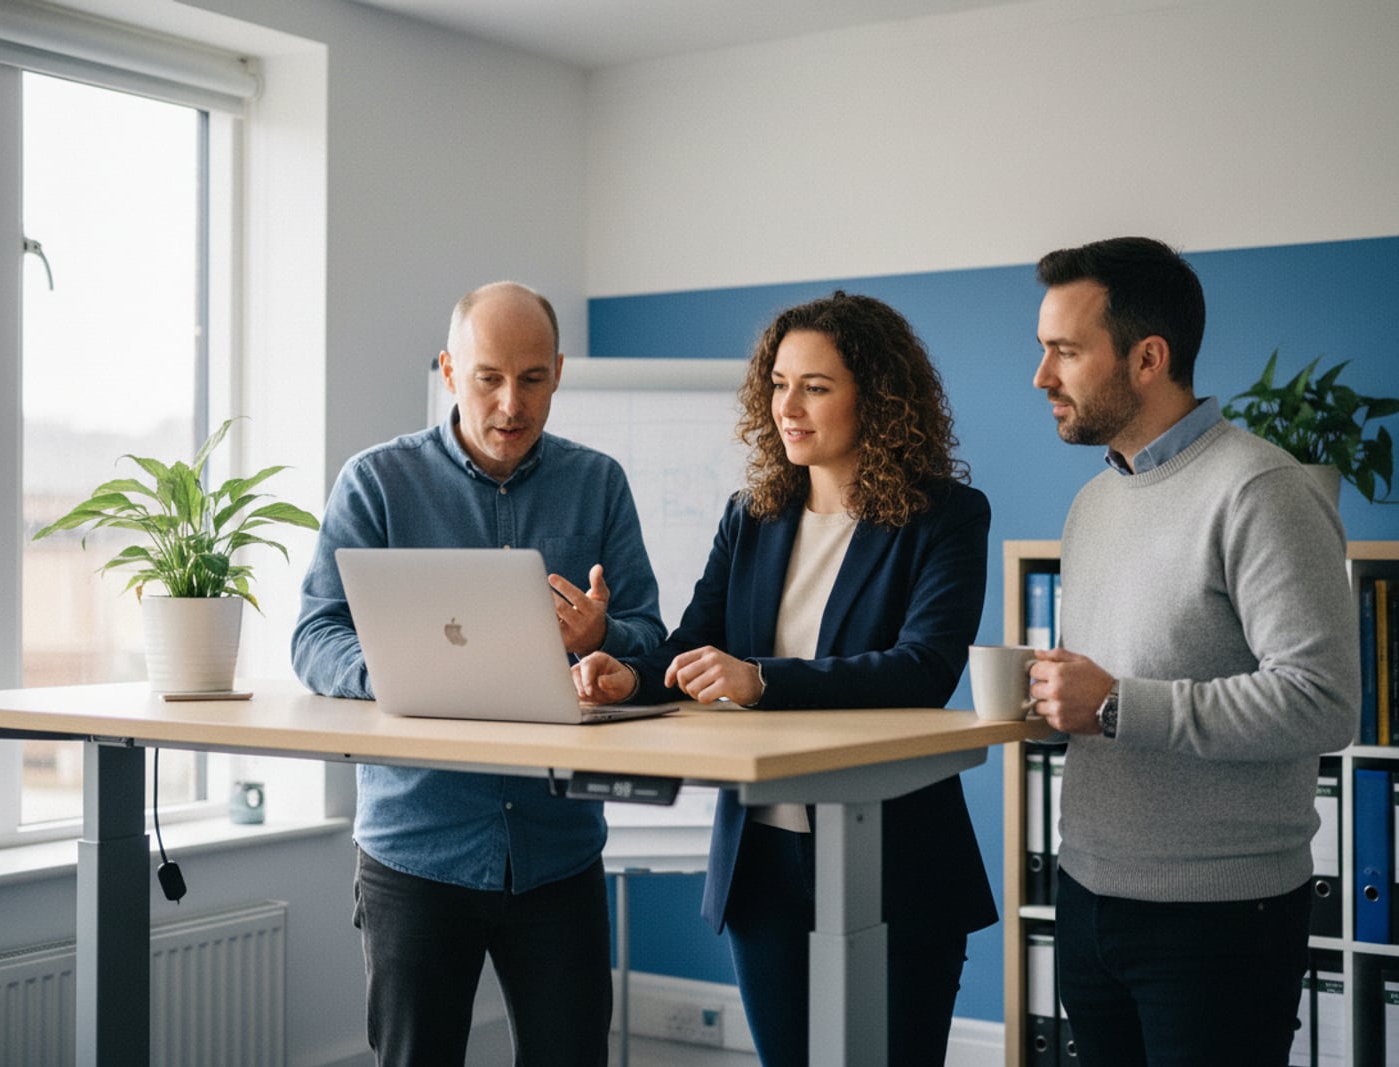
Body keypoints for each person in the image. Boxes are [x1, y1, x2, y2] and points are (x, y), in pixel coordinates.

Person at [574, 291, 997, 1066]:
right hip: (762, 864)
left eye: (816, 386)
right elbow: (690, 647)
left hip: (895, 859)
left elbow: (924, 668)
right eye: (777, 383)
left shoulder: (947, 516)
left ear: (879, 395)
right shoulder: (754, 515)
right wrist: (626, 678)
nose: (787, 407)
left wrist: (760, 679)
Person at [291, 281, 665, 1067]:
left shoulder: (599, 484)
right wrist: (395, 669)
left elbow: (650, 638)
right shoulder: (375, 482)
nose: (511, 403)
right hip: (416, 845)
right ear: (450, 370)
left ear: (558, 372)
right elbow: (315, 635)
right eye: (489, 376)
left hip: (558, 846)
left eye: (532, 378)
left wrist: (607, 639)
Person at [1023, 237, 1359, 1065]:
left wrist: (1112, 703)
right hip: (1088, 896)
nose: (1042, 376)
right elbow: (1123, 680)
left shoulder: (1261, 490)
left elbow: (1323, 699)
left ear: (1147, 357)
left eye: (1064, 350)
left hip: (1219, 918)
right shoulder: (1093, 502)